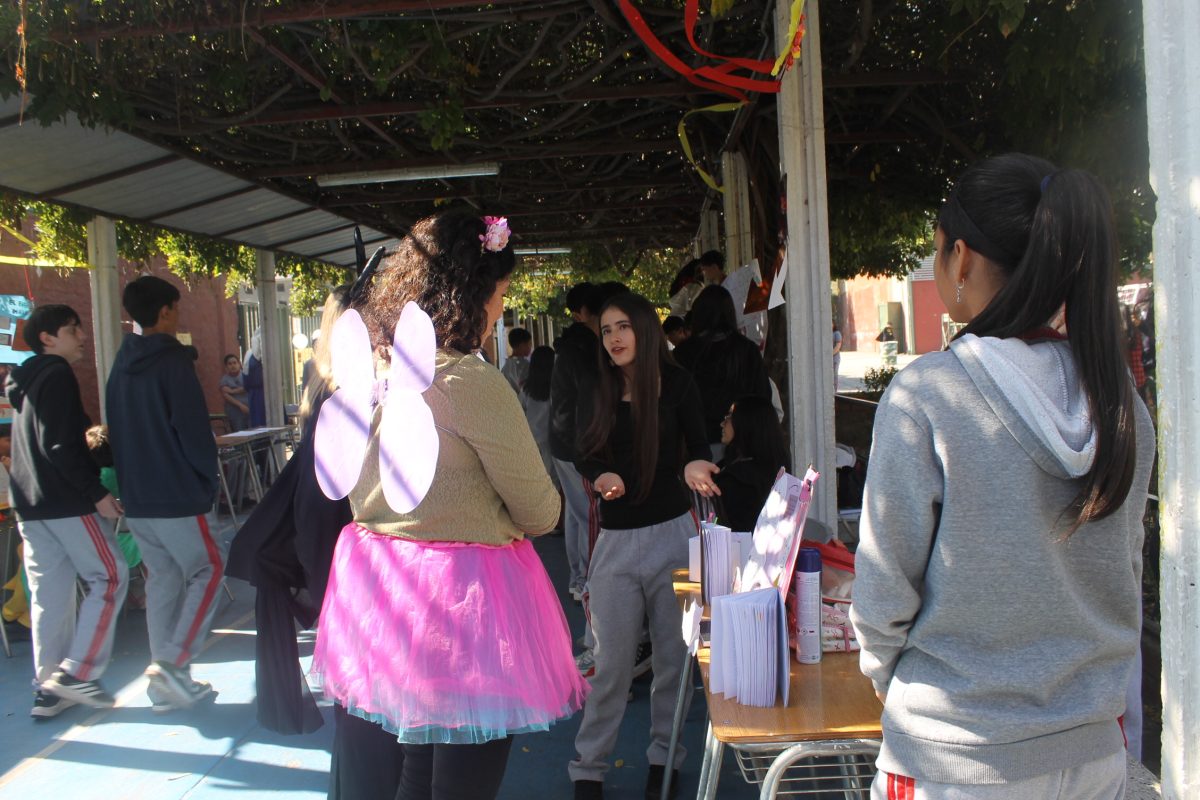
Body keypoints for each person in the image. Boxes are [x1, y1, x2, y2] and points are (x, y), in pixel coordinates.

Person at [850, 154, 1155, 800]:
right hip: (1095, 757)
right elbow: (1124, 575)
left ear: (960, 259)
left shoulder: (927, 398)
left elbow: (882, 599)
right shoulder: (1122, 407)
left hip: (953, 759)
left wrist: (891, 680)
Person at [310, 212, 587, 800]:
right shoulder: (469, 381)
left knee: (407, 766)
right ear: (472, 294)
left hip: (377, 595)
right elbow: (540, 511)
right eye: (500, 295)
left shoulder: (368, 372)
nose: (498, 312)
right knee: (461, 779)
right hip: (466, 610)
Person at [569, 292, 718, 800]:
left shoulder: (678, 384)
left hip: (674, 536)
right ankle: (588, 769)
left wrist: (695, 466)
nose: (613, 338)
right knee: (609, 663)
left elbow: (699, 447)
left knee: (674, 663)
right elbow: (583, 452)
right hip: (614, 543)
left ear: (645, 330)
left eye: (623, 327)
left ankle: (665, 761)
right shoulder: (599, 387)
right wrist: (599, 473)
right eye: (607, 329)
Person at [107, 275, 222, 713]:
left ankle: (165, 686)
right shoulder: (173, 363)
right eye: (176, 307)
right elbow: (193, 431)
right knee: (209, 569)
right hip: (177, 495)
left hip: (138, 497)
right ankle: (174, 664)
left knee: (165, 581)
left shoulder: (121, 363)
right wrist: (205, 480)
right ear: (166, 311)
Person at [7, 305, 127, 718]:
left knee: (50, 597)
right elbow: (59, 444)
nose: (81, 336)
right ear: (47, 338)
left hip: (29, 505)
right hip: (64, 501)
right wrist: (95, 493)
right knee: (111, 575)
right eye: (72, 330)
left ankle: (48, 689)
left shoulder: (21, 381)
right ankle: (77, 673)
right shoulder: (56, 374)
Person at [671, 284, 772, 463]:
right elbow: (763, 397)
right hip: (742, 445)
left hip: (695, 446)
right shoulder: (747, 350)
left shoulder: (684, 353)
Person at [550, 282, 603, 609]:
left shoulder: (570, 344)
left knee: (575, 513)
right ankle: (586, 583)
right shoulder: (584, 346)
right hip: (575, 444)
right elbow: (589, 398)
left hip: (562, 440)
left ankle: (577, 580)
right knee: (587, 517)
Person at [713, 395, 791, 532]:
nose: (722, 423)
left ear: (747, 422)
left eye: (730, 416)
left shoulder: (736, 480)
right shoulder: (777, 468)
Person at [521, 345, 559, 491]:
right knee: (553, 479)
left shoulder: (526, 388)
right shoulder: (556, 388)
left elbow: (520, 411)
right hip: (551, 439)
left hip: (532, 440)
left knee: (538, 478)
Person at [220, 353, 250, 432]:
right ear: (226, 367)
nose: (233, 366)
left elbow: (247, 387)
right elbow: (226, 395)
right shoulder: (224, 380)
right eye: (230, 364)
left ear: (239, 364)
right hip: (235, 412)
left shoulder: (246, 376)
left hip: (250, 409)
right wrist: (240, 406)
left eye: (234, 363)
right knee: (239, 434)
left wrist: (232, 391)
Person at [243, 331, 266, 428]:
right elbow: (246, 377)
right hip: (256, 395)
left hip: (270, 393)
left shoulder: (270, 354)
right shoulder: (249, 355)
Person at [501, 327, 533, 393]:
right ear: (522, 345)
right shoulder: (525, 365)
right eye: (529, 344)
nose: (530, 347)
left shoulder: (506, 365)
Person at [832, 322, 843, 392]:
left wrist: (829, 355)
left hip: (835, 358)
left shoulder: (837, 333)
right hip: (828, 359)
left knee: (834, 374)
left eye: (831, 323)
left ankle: (834, 390)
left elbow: (838, 346)